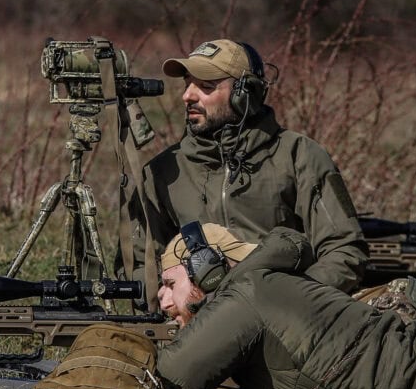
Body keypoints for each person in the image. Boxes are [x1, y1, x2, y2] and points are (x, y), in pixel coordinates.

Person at [152, 222, 416, 389]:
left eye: (169, 283)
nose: (161, 297)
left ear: (207, 268)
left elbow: (174, 374)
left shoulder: (246, 293)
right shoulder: (261, 285)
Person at [121, 39, 368, 299]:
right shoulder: (163, 172)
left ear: (244, 94)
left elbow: (345, 251)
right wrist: (176, 301)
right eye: (187, 83)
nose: (188, 96)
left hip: (285, 318)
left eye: (205, 86)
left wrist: (294, 302)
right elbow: (140, 266)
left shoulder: (299, 156)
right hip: (196, 326)